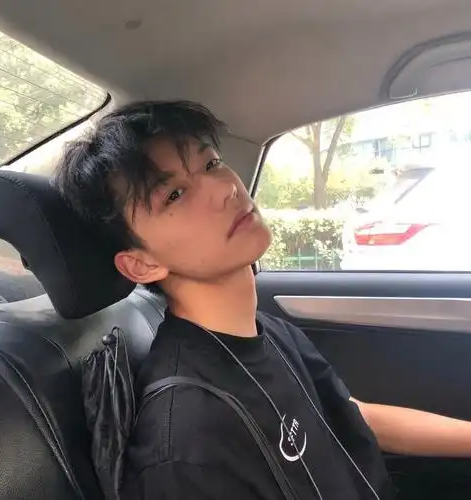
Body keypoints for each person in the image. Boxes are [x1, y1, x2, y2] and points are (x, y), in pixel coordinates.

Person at [56, 101, 471, 500]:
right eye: (175, 195)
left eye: (211, 164)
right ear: (142, 264)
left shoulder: (267, 330)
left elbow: (352, 415)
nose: (226, 187)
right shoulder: (186, 437)